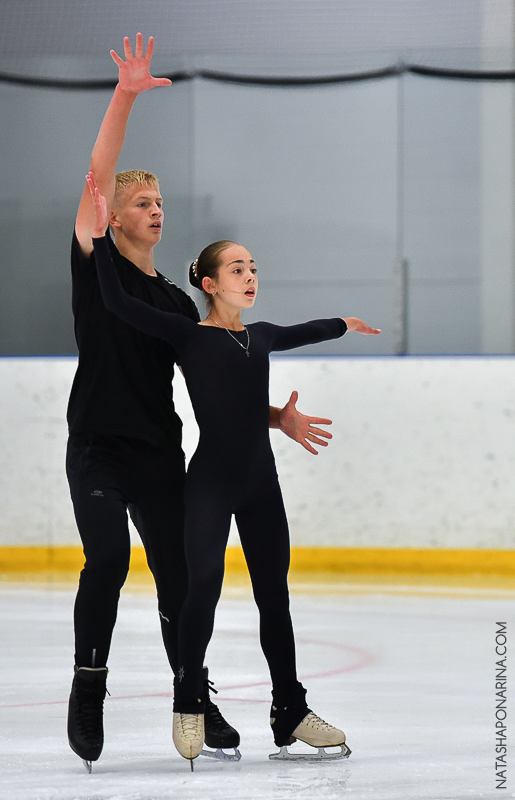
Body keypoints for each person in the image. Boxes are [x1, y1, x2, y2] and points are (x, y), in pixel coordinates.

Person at [66, 34, 337, 772]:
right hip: (96, 444)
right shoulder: (97, 269)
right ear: (111, 219)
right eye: (140, 203)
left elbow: (220, 377)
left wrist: (273, 416)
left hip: (160, 449)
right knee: (108, 561)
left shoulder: (178, 306)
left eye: (159, 202)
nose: (155, 210)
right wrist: (124, 96)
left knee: (182, 580)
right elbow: (98, 175)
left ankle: (198, 695)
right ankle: (89, 684)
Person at [86, 170, 381, 767]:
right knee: (204, 590)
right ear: (209, 282)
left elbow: (308, 330)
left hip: (260, 484)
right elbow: (116, 302)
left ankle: (289, 711)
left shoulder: (263, 336)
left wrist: (343, 325)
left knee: (276, 596)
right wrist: (94, 243)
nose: (249, 276)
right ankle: (189, 697)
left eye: (253, 268)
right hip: (212, 483)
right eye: (237, 269)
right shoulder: (187, 335)